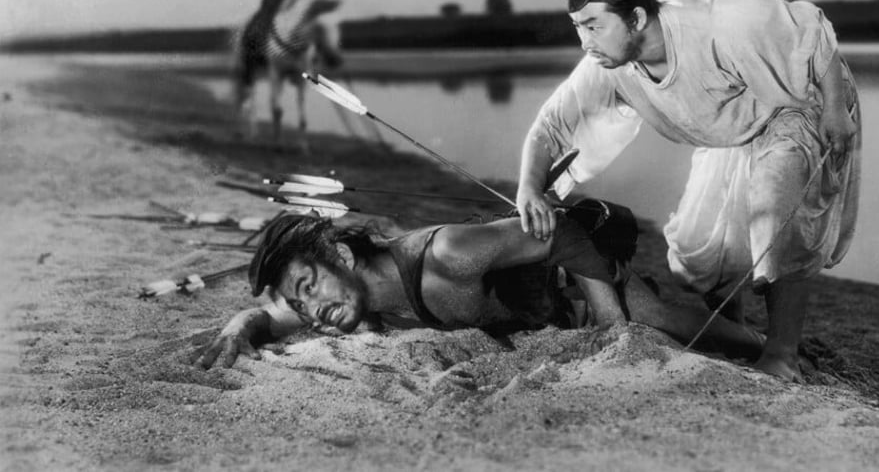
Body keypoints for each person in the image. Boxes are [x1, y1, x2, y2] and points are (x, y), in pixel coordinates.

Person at [516, 0, 861, 382]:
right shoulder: (608, 66)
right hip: (735, 124)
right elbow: (552, 125)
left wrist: (835, 111)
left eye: (594, 26)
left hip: (802, 101)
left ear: (636, 18)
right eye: (579, 28)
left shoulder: (725, 18)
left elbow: (816, 37)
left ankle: (782, 353)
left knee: (775, 212)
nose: (585, 42)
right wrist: (528, 188)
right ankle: (735, 328)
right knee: (702, 247)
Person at [195, 202, 765, 369]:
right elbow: (270, 316)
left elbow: (559, 230)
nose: (310, 308)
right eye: (302, 300)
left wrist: (612, 323)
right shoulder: (344, 301)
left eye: (309, 285)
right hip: (534, 317)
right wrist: (237, 326)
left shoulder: (446, 255)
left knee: (656, 319)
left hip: (573, 279)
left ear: (341, 255)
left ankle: (768, 348)